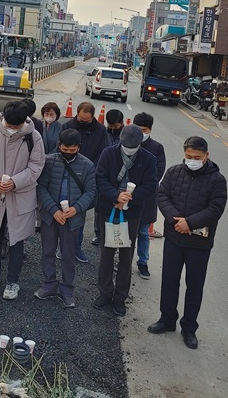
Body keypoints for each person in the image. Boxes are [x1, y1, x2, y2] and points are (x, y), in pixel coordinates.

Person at [148, 136, 227, 349]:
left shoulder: (217, 180)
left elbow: (215, 209)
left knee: (195, 286)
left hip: (199, 244)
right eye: (189, 157)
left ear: (206, 156)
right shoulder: (174, 172)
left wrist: (189, 223)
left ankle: (189, 328)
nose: (192, 160)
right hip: (174, 238)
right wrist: (177, 221)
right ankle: (167, 319)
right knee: (169, 280)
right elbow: (162, 196)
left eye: (197, 157)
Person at [0, 100, 45, 300]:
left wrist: (14, 182)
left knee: (16, 241)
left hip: (20, 196)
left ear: (24, 122)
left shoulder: (34, 137)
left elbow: (36, 167)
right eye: (9, 125)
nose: (11, 129)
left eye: (16, 127)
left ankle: (13, 282)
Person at [93, 125, 157, 316]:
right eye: (126, 145)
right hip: (108, 210)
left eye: (133, 146)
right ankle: (105, 292)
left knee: (126, 256)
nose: (129, 149)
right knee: (106, 253)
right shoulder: (109, 153)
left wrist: (130, 197)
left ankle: (120, 296)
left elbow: (151, 185)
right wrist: (115, 195)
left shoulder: (148, 158)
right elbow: (100, 178)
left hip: (132, 214)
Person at [35, 129, 95, 308]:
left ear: (78, 147)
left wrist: (76, 209)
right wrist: (53, 210)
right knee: (47, 251)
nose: (68, 153)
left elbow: (91, 192)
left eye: (72, 150)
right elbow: (41, 188)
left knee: (69, 255)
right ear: (59, 145)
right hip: (50, 216)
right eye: (64, 149)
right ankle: (49, 284)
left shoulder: (87, 165)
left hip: (73, 218)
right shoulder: (48, 161)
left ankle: (67, 288)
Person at [61, 102, 108, 262]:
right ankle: (62, 246)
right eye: (80, 119)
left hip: (88, 175)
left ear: (93, 117)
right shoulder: (67, 126)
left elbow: (103, 152)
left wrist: (90, 168)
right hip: (68, 173)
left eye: (86, 120)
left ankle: (77, 247)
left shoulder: (101, 130)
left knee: (80, 213)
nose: (82, 121)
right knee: (64, 211)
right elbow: (59, 148)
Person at [133, 112, 166, 279]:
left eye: (144, 130)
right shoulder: (126, 143)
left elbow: (158, 173)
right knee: (125, 232)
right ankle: (123, 261)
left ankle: (143, 261)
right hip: (127, 197)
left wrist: (140, 188)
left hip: (146, 197)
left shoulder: (157, 148)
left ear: (150, 130)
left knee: (144, 232)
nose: (141, 133)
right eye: (138, 129)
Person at [91, 108, 124, 246]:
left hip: (120, 177)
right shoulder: (103, 133)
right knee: (99, 206)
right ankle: (98, 233)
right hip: (104, 174)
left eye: (115, 126)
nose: (112, 128)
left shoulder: (126, 135)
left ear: (121, 123)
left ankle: (116, 236)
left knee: (117, 208)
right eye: (110, 126)